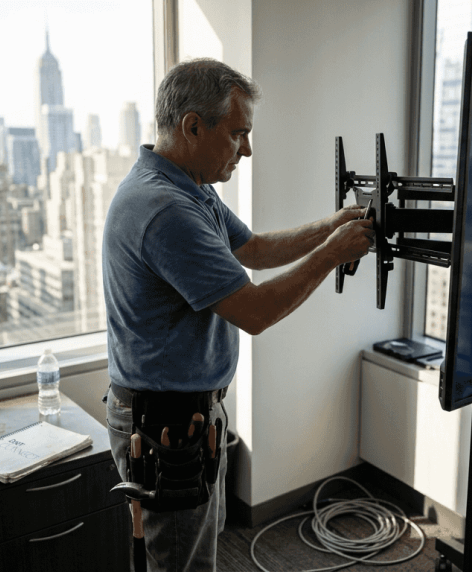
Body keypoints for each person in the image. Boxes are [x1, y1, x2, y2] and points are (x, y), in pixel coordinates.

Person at [101, 58, 374, 571]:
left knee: (198, 548)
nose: (246, 150)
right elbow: (256, 310)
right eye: (238, 134)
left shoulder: (190, 187)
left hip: (188, 416)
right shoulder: (166, 210)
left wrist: (331, 226)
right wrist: (334, 253)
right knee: (182, 561)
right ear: (193, 126)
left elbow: (254, 248)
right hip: (167, 426)